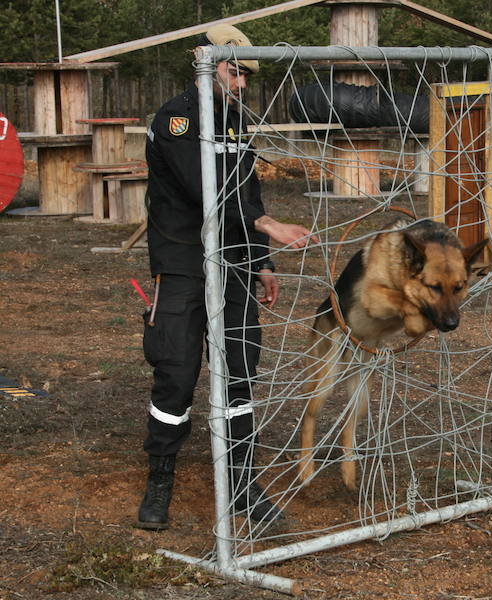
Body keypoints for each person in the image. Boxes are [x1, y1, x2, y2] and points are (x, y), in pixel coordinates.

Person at [137, 24, 315, 530]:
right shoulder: (175, 120)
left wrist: (260, 258)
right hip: (183, 265)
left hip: (235, 263)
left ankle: (242, 483)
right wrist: (268, 225)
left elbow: (247, 192)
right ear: (205, 62)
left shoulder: (235, 121)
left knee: (240, 373)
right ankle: (160, 479)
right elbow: (203, 187)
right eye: (234, 72)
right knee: (176, 372)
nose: (240, 85)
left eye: (245, 77)